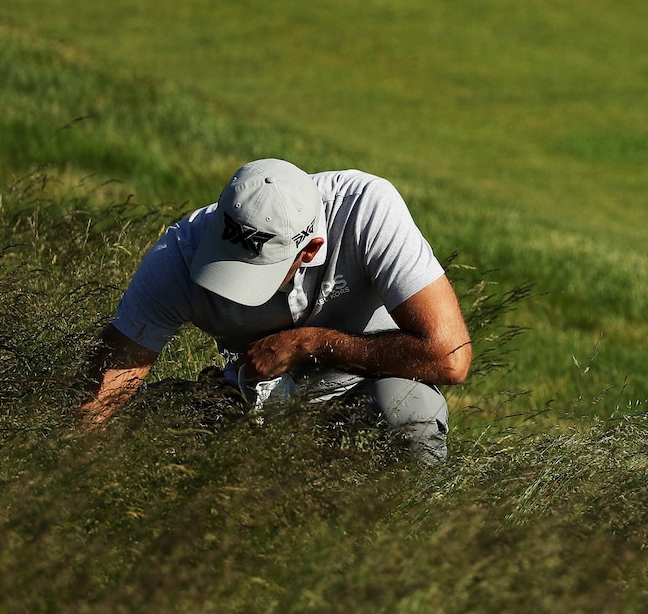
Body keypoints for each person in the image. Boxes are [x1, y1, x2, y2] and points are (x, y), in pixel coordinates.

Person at [79, 158, 472, 463]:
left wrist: (310, 343)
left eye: (257, 272)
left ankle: (410, 537)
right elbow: (101, 394)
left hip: (363, 390)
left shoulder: (366, 209)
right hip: (249, 399)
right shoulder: (179, 253)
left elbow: (451, 357)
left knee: (410, 414)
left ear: (310, 250)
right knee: (146, 427)